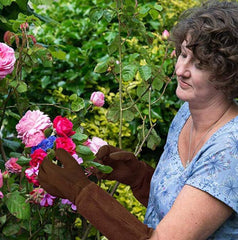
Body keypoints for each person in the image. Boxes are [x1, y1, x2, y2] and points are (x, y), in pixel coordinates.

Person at [38, 1, 238, 239]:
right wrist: (139, 177)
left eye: (199, 64)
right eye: (183, 54)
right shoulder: (187, 113)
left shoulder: (230, 150)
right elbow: (180, 208)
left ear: (229, 72)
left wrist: (81, 193)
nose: (181, 70)